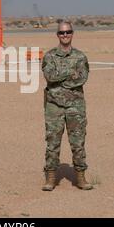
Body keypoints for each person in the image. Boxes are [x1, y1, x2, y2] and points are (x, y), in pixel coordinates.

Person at [41, 20, 93, 191]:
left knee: (78, 143)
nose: (65, 35)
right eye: (62, 33)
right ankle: (50, 178)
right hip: (54, 106)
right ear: (57, 35)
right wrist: (70, 73)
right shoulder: (49, 56)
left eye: (68, 32)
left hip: (75, 107)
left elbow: (82, 78)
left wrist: (60, 78)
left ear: (72, 33)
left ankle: (80, 177)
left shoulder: (80, 56)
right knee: (52, 143)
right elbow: (49, 76)